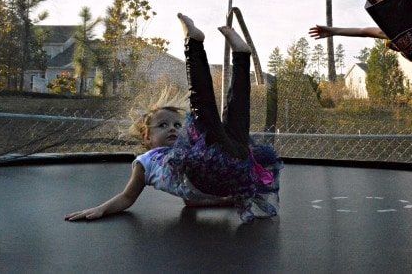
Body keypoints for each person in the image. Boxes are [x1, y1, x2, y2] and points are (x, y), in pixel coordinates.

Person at [65, 13, 283, 223]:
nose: (172, 129)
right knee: (205, 108)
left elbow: (191, 200)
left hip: (234, 163)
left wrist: (225, 198)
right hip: (221, 172)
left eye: (177, 125)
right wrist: (101, 209)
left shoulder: (188, 152)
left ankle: (238, 54)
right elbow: (128, 197)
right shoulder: (146, 162)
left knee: (236, 115)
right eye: (162, 125)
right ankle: (199, 44)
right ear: (146, 137)